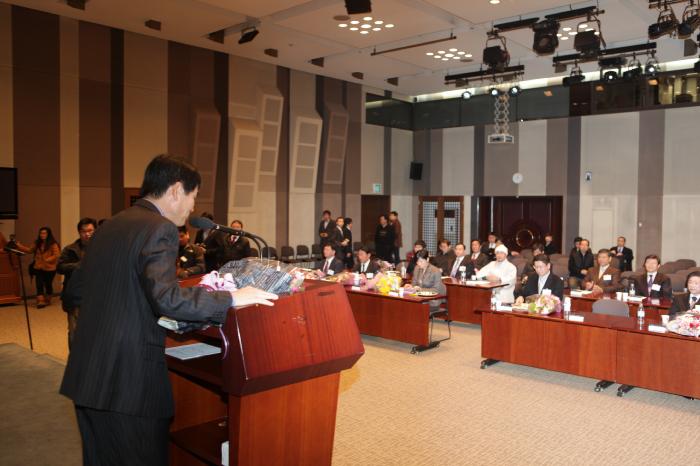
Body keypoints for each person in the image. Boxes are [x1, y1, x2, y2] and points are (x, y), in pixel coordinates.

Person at [60, 155, 277, 466]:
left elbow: (74, 292)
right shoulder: (160, 228)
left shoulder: (111, 225)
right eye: (193, 196)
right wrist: (230, 298)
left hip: (88, 376)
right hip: (130, 385)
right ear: (176, 190)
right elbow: (167, 299)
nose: (192, 206)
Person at [57, 217, 97, 348]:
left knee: (95, 331)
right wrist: (79, 265)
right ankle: (75, 359)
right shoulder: (70, 249)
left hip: (97, 296)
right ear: (79, 232)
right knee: (75, 332)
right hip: (75, 296)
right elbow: (60, 267)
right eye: (84, 231)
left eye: (90, 231)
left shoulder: (102, 248)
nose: (87, 234)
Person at [16, 226, 61, 308]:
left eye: (44, 233)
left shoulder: (53, 244)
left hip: (50, 268)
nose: (42, 235)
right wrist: (19, 246)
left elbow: (57, 255)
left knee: (48, 284)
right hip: (38, 267)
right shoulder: (37, 243)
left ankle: (48, 298)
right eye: (41, 233)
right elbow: (29, 250)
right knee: (39, 284)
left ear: (48, 234)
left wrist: (47, 259)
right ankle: (41, 301)